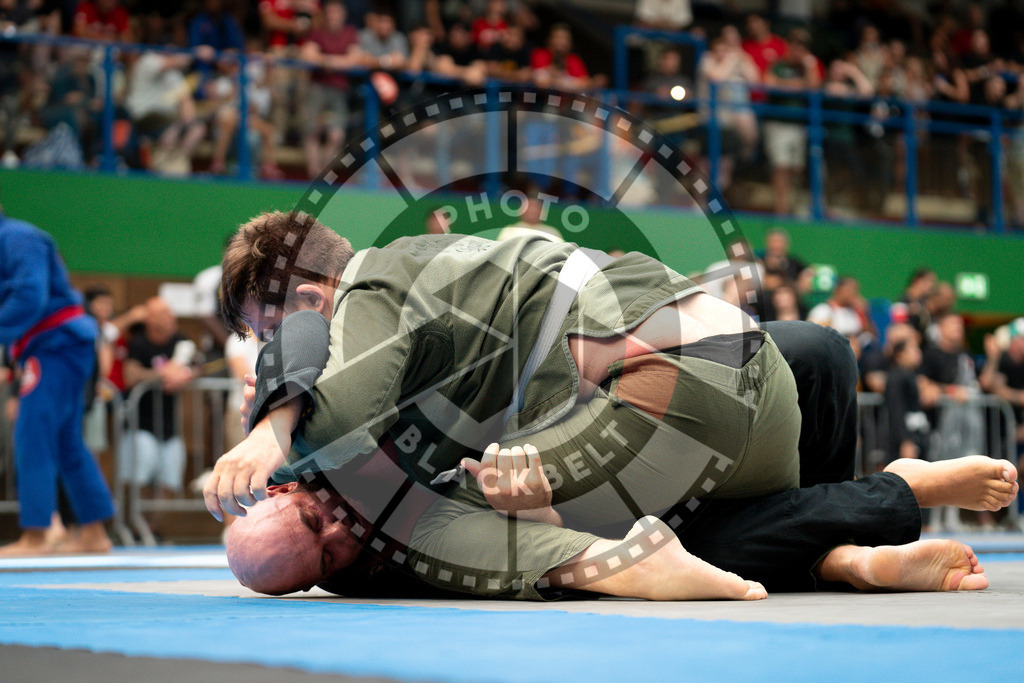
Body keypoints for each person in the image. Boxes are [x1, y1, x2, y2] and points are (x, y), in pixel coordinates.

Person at [206, 212, 1015, 596]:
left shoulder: (353, 334)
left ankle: (849, 530)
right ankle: (844, 544)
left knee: (816, 357)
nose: (261, 355)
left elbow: (319, 365)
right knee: (806, 362)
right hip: (660, 359)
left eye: (265, 332)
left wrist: (278, 415)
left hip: (628, 366)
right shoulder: (370, 516)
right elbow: (483, 539)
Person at [0, 192, 114, 556]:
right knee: (66, 441)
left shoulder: (18, 237)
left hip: (57, 345)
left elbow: (30, 296)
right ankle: (94, 533)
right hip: (51, 346)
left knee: (32, 433)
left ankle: (36, 535)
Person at [120, 297, 194, 519]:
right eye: (164, 313)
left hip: (170, 426)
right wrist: (162, 375)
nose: (171, 318)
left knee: (170, 479)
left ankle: (153, 529)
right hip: (140, 425)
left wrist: (184, 376)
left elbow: (198, 366)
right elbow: (130, 374)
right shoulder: (139, 342)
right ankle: (135, 525)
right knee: (138, 478)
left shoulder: (181, 341)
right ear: (150, 319)